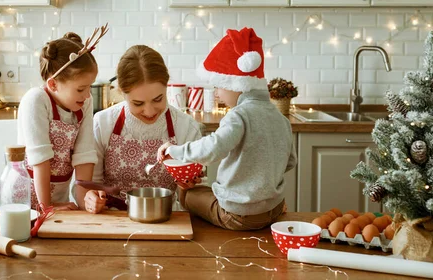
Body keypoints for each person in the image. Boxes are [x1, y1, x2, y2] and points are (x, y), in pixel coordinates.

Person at [157, 28, 297, 230]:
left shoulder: (238, 115)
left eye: (219, 85)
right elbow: (289, 162)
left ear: (236, 84)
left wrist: (174, 150)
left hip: (238, 216)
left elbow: (213, 149)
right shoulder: (280, 117)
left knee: (188, 193)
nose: (217, 93)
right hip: (274, 210)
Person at [77, 45, 202, 213]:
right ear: (122, 92)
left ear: (166, 87)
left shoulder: (186, 127)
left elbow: (195, 199)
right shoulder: (103, 123)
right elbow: (91, 185)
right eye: (138, 103)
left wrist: (186, 188)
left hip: (167, 220)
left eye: (158, 99)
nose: (149, 111)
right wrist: (92, 198)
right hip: (112, 221)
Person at [16, 29, 107, 211]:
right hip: (21, 205)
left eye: (89, 87)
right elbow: (40, 159)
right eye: (81, 89)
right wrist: (46, 207)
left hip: (58, 204)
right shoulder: (36, 100)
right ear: (53, 84)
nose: (88, 94)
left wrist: (86, 202)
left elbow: (84, 156)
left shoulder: (84, 103)